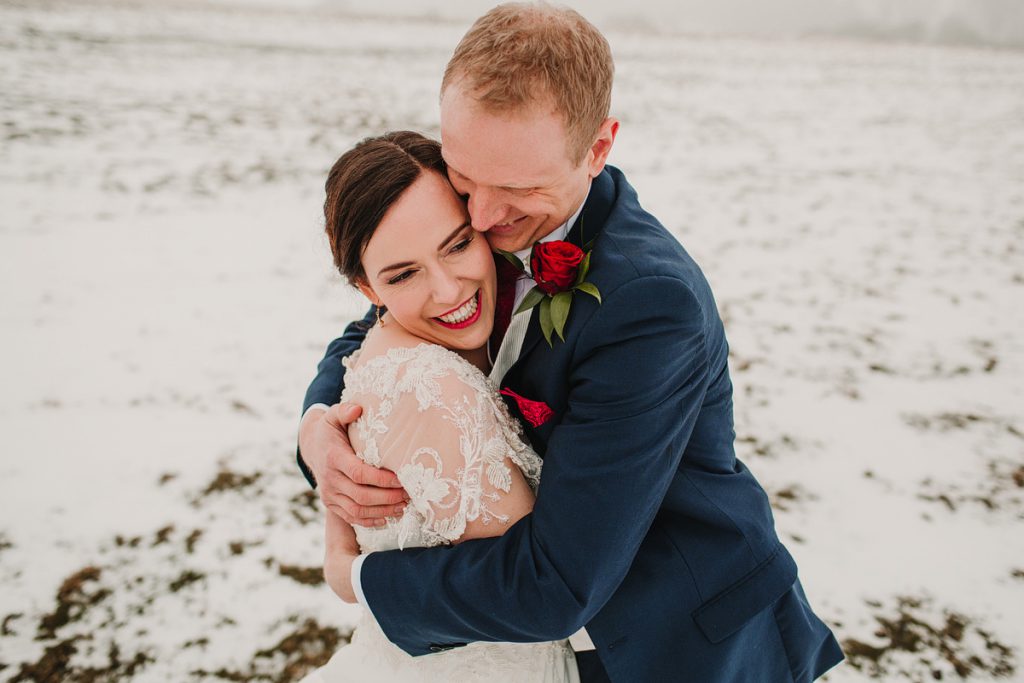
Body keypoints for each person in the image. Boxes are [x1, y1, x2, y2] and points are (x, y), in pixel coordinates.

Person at [299, 4, 844, 682]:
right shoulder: (472, 228)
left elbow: (556, 584)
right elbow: (379, 320)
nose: (482, 218)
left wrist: (358, 575)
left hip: (670, 637)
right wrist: (319, 425)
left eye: (517, 190)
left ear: (598, 148)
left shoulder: (650, 303)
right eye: (465, 180)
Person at [301, 131, 579, 682]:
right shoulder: (432, 388)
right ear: (368, 289)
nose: (449, 291)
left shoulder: (395, 346)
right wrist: (348, 574)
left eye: (456, 245)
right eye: (404, 274)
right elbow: (530, 591)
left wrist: (345, 565)